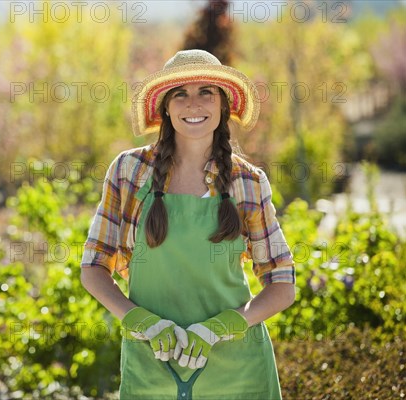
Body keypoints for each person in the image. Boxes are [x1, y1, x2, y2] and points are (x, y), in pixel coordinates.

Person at [80, 49, 296, 399]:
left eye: (205, 92)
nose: (193, 104)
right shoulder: (129, 172)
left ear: (224, 105)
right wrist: (139, 320)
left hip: (238, 373)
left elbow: (282, 282)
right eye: (180, 94)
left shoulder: (248, 181)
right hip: (151, 367)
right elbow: (93, 267)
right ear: (165, 107)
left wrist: (225, 326)